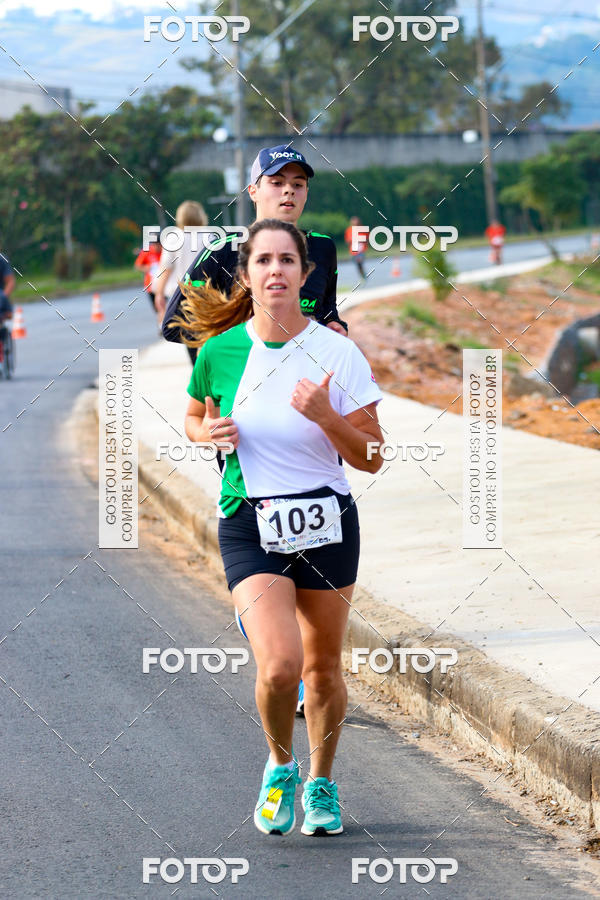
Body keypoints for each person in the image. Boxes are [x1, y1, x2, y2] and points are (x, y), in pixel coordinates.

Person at [182, 219, 383, 836]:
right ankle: (280, 763)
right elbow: (193, 416)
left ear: (305, 274)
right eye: (263, 260)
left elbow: (372, 455)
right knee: (279, 667)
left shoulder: (337, 353)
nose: (275, 271)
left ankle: (322, 783)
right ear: (246, 275)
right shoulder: (219, 351)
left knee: (323, 669)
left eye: (287, 261)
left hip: (327, 521)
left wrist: (328, 416)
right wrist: (205, 432)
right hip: (249, 520)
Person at [162, 144, 348, 363]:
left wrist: (336, 326)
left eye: (298, 184)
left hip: (303, 381)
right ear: (253, 191)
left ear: (306, 193)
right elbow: (175, 322)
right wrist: (235, 347)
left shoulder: (322, 247)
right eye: (277, 182)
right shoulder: (223, 250)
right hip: (242, 384)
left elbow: (327, 311)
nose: (288, 190)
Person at [153, 201, 212, 362]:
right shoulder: (211, 237)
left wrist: (159, 294)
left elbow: (166, 269)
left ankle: (197, 370)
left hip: (182, 296)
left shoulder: (174, 239)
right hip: (207, 296)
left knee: (191, 337)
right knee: (209, 335)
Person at [134, 240, 162, 323]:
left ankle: (162, 326)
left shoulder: (166, 252)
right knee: (157, 308)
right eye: (155, 245)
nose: (157, 247)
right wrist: (146, 268)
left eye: (159, 245)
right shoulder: (146, 252)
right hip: (151, 285)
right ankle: (161, 323)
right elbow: (137, 266)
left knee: (163, 306)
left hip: (163, 284)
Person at [344, 216, 367, 280]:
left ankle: (363, 276)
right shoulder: (349, 230)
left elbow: (365, 239)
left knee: (359, 262)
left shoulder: (362, 229)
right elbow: (347, 241)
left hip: (361, 250)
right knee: (358, 265)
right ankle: (362, 276)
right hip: (353, 251)